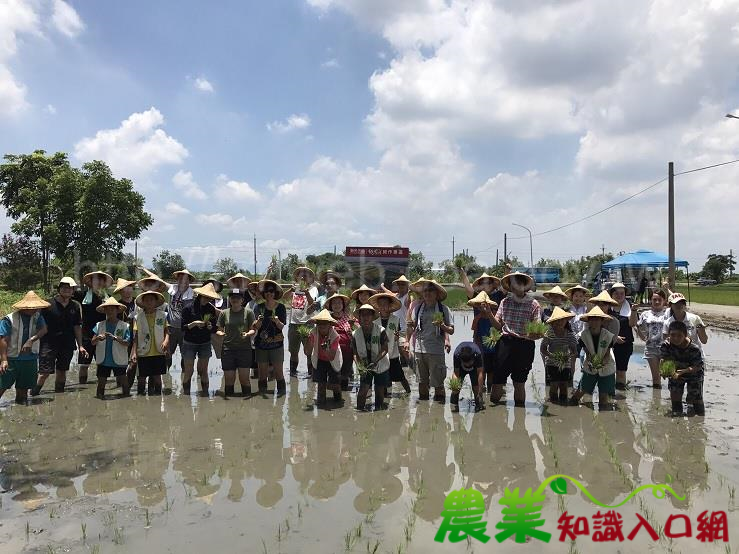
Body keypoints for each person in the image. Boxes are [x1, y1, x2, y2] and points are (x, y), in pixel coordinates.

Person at [489, 272, 541, 408]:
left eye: (518, 284)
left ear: (524, 286)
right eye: (513, 285)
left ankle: (520, 419)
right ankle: (493, 416)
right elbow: (498, 325)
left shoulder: (533, 304)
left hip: (525, 345)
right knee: (498, 381)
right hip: (505, 343)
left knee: (519, 382)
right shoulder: (504, 302)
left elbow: (537, 327)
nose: (515, 287)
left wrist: (537, 334)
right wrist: (488, 313)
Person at [34, 277, 85, 395]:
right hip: (48, 342)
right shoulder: (47, 304)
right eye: (64, 287)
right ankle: (34, 393)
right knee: (44, 372)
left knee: (62, 371)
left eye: (70, 288)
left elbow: (77, 326)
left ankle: (59, 395)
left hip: (67, 343)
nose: (67, 290)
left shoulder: (75, 306)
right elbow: (38, 324)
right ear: (59, 289)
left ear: (73, 291)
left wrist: (81, 345)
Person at [405, 279, 453, 402]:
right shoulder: (417, 309)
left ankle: (439, 411)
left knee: (438, 384)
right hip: (419, 350)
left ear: (437, 293)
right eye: (425, 290)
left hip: (436, 351)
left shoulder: (444, 309)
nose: (427, 293)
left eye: (431, 290)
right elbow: (412, 327)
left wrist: (442, 326)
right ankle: (423, 412)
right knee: (422, 382)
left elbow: (451, 330)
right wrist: (406, 341)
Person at [0, 292, 49, 404]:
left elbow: (44, 329)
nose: (34, 309)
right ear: (24, 307)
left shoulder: (37, 317)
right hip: (11, 358)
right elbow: (3, 339)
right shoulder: (9, 319)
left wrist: (31, 340)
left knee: (23, 389)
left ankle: (21, 410)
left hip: (29, 359)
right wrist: (3, 360)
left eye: (36, 307)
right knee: (2, 385)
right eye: (32, 307)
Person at [569, 306, 617, 408]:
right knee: (580, 392)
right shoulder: (583, 335)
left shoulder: (608, 336)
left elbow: (607, 355)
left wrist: (601, 364)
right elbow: (587, 352)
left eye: (597, 319)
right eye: (592, 319)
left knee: (603, 399)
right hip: (590, 365)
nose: (594, 322)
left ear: (601, 321)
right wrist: (592, 363)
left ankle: (602, 417)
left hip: (606, 366)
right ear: (588, 321)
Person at [180, 282, 218, 396]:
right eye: (206, 297)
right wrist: (194, 324)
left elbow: (215, 327)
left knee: (203, 371)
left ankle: (205, 395)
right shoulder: (188, 308)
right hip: (189, 342)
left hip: (205, 342)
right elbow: (183, 327)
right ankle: (186, 395)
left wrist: (211, 327)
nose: (208, 299)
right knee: (189, 371)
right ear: (200, 295)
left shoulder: (211, 309)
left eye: (210, 298)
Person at [216, 289, 256, 397]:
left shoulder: (249, 312)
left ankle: (247, 400)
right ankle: (229, 406)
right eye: (232, 297)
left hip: (244, 350)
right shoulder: (224, 313)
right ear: (230, 299)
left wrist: (248, 334)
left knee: (244, 379)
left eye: (238, 298)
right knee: (229, 380)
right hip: (228, 350)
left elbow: (253, 329)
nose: (235, 300)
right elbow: (219, 329)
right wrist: (221, 333)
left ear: (242, 300)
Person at [661, 320, 705, 416]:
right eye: (672, 335)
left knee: (695, 399)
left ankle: (699, 418)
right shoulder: (666, 345)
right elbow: (664, 360)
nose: (676, 338)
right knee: (675, 394)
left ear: (685, 335)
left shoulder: (694, 348)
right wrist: (664, 371)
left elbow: (697, 366)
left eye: (679, 335)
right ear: (669, 334)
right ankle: (677, 415)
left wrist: (684, 371)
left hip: (694, 373)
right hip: (676, 372)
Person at [75, 271, 112, 384]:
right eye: (96, 280)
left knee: (102, 363)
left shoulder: (108, 298)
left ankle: (101, 387)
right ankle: (82, 387)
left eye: (101, 280)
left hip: (102, 333)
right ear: (90, 282)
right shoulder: (82, 295)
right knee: (84, 364)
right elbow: (67, 295)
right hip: (86, 334)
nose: (99, 282)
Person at [369, 292, 410, 394]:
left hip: (393, 354)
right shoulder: (374, 322)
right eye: (381, 304)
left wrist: (397, 337)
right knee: (384, 378)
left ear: (390, 306)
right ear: (378, 307)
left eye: (385, 304)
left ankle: (409, 392)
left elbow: (398, 335)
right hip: (381, 356)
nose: (383, 307)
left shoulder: (395, 319)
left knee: (401, 376)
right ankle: (385, 397)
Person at [91, 297, 132, 398]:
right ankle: (99, 402)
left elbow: (127, 343)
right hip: (103, 359)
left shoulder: (124, 326)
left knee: (123, 381)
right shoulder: (99, 325)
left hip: (119, 358)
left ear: (117, 310)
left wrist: (116, 338)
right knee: (101, 383)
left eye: (112, 309)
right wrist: (98, 338)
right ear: (104, 310)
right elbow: (92, 342)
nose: (110, 311)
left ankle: (127, 401)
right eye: (108, 309)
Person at [253, 279, 288, 396]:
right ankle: (263, 397)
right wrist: (258, 322)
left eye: (271, 291)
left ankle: (281, 397)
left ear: (275, 293)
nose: (269, 293)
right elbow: (255, 327)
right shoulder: (258, 307)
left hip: (276, 344)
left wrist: (277, 321)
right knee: (262, 374)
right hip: (261, 344)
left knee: (278, 372)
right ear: (263, 293)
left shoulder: (281, 308)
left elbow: (282, 326)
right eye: (266, 291)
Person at [131, 291, 169, 395]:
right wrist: (134, 352)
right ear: (143, 302)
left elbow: (167, 332)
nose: (149, 302)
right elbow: (136, 336)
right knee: (141, 378)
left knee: (157, 378)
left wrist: (166, 341)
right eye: (146, 300)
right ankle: (140, 398)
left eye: (151, 300)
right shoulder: (138, 317)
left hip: (158, 351)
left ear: (156, 302)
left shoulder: (163, 315)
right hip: (143, 352)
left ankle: (157, 399)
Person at [353, 304, 389, 410]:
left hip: (381, 364)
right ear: (359, 318)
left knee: (379, 392)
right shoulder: (355, 334)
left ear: (373, 317)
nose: (366, 317)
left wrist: (376, 361)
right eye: (363, 315)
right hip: (365, 366)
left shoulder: (381, 330)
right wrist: (359, 365)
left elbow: (385, 349)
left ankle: (378, 415)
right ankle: (359, 413)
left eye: (368, 315)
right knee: (362, 391)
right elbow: (355, 353)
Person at [285, 266, 318, 377]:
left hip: (307, 324)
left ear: (310, 278)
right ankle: (293, 373)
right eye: (301, 274)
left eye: (306, 274)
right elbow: (284, 298)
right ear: (297, 277)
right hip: (293, 324)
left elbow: (312, 304)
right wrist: (291, 290)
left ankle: (311, 374)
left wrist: (307, 293)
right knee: (293, 351)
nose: (303, 276)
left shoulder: (313, 289)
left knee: (309, 352)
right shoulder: (294, 288)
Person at [540, 307, 577, 403]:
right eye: (557, 320)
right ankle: (554, 404)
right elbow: (542, 349)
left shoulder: (569, 334)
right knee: (554, 385)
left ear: (566, 321)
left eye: (562, 320)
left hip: (565, 363)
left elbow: (574, 351)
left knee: (564, 386)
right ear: (552, 322)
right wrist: (552, 356)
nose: (559, 322)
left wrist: (567, 356)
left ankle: (563, 403)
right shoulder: (550, 333)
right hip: (551, 363)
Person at [307, 308, 343, 406]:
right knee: (321, 385)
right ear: (316, 324)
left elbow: (331, 357)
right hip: (320, 359)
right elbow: (308, 352)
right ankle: (321, 405)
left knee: (335, 385)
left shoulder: (335, 336)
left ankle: (338, 401)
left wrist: (326, 348)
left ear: (330, 325)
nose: (322, 326)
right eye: (319, 323)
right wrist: (308, 341)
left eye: (325, 323)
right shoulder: (313, 332)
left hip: (333, 360)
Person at [608, 283, 638, 390]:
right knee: (608, 370)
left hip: (625, 344)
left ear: (625, 294)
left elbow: (632, 324)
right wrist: (614, 338)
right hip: (608, 344)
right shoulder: (606, 308)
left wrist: (634, 311)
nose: (619, 295)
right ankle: (609, 393)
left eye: (622, 293)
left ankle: (620, 396)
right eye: (616, 293)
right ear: (611, 294)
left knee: (621, 371)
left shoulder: (630, 307)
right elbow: (602, 326)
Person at [467, 291, 498, 394]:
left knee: (491, 373)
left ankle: (490, 392)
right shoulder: (477, 319)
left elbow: (499, 330)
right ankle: (481, 392)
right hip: (481, 350)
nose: (481, 307)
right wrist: (476, 348)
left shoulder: (494, 317)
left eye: (483, 305)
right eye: (479, 305)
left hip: (494, 349)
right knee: (482, 371)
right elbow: (475, 335)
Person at [636, 289, 668, 387]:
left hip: (666, 348)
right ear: (651, 300)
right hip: (651, 348)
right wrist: (643, 337)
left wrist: (667, 289)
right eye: (654, 300)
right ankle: (656, 399)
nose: (657, 302)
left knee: (667, 374)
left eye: (659, 299)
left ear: (664, 301)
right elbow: (637, 326)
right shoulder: (645, 314)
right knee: (656, 376)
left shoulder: (668, 313)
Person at [324, 293, 355, 391]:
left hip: (347, 351)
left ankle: (345, 397)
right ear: (330, 306)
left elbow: (357, 333)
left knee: (345, 374)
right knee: (333, 374)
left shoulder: (350, 318)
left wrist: (353, 327)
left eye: (339, 303)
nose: (337, 305)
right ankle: (335, 398)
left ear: (343, 305)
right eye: (334, 303)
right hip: (333, 352)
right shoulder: (327, 319)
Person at [167, 269, 195, 370]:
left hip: (185, 329)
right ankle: (166, 377)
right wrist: (143, 270)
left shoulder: (193, 294)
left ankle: (184, 377)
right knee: (168, 353)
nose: (183, 281)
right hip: (170, 328)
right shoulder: (172, 289)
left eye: (186, 279)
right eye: (181, 278)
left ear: (189, 281)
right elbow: (158, 280)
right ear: (178, 279)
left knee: (185, 354)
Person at [451, 342, 485, 411]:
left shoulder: (477, 354)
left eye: (469, 363)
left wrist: (480, 391)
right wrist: (454, 387)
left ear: (473, 359)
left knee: (476, 389)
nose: (468, 365)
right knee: (456, 389)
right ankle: (453, 403)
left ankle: (478, 404)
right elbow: (456, 373)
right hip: (461, 369)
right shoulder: (457, 354)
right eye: (466, 364)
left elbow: (480, 373)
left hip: (474, 369)